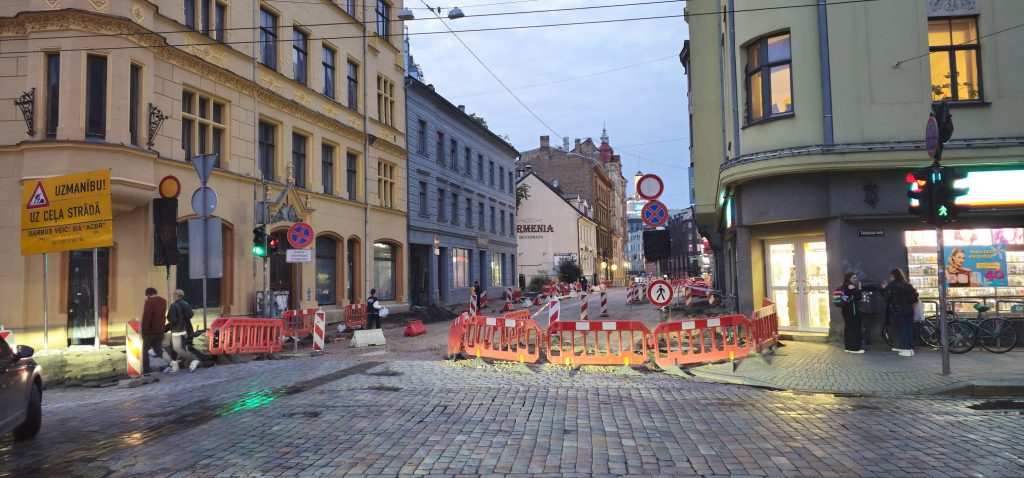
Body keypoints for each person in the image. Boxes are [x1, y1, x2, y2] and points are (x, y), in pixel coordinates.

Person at [883, 268, 919, 357]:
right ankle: (910, 348)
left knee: (902, 329)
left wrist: (884, 289)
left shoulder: (891, 286)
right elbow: (915, 298)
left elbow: (887, 299)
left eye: (891, 276)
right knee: (909, 328)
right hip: (909, 309)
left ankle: (906, 349)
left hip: (898, 309)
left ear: (893, 276)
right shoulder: (908, 285)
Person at [166, 289, 198, 372]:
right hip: (184, 329)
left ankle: (193, 360)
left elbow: (172, 320)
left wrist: (167, 328)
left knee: (178, 349)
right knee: (174, 348)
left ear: (176, 295)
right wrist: (184, 320)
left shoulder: (174, 305)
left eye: (173, 294)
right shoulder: (185, 303)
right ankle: (174, 366)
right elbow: (191, 314)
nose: (173, 296)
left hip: (176, 330)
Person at [140, 287, 167, 376]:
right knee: (158, 349)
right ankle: (171, 362)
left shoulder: (149, 302)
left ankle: (147, 371)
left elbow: (146, 317)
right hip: (160, 330)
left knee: (145, 350)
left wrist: (143, 331)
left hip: (149, 332)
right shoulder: (163, 301)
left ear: (148, 295)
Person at [837, 273, 864, 353]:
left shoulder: (843, 286)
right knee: (855, 328)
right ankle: (854, 348)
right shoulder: (850, 286)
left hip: (846, 310)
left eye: (856, 278)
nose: (856, 279)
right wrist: (859, 288)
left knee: (849, 328)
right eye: (854, 278)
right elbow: (858, 296)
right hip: (852, 311)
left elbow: (846, 298)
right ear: (849, 279)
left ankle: (848, 347)